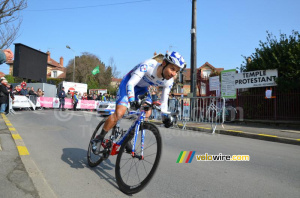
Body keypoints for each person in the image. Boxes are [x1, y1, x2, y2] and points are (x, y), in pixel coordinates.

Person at [91, 51, 185, 152]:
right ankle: (100, 137)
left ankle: (127, 138)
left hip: (142, 89)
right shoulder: (149, 65)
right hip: (128, 84)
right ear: (164, 63)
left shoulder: (169, 81)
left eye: (176, 71)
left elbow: (164, 102)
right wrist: (132, 101)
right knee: (119, 113)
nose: (174, 74)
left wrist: (164, 116)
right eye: (172, 69)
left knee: (146, 113)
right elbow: (131, 83)